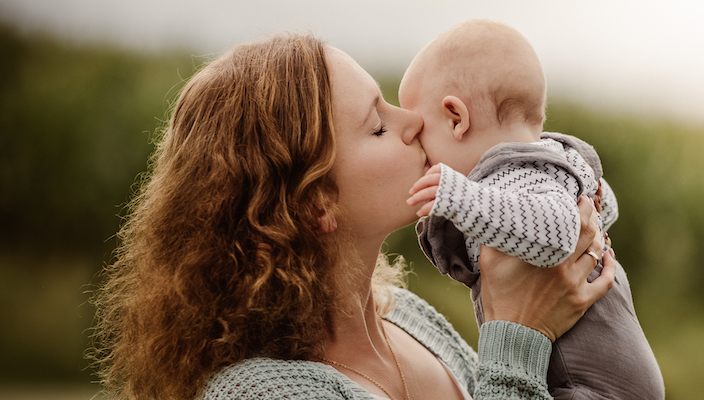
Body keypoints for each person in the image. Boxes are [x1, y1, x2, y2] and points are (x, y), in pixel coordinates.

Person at [88, 32, 617, 400]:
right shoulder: (260, 392)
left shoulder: (412, 321)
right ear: (317, 202)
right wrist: (516, 335)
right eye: (378, 125)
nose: (413, 121)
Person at [402, 19, 664, 399]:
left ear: (456, 119)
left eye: (422, 135)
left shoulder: (513, 172)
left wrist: (460, 195)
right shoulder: (548, 165)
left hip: (590, 384)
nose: (419, 151)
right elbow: (602, 206)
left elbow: (558, 235)